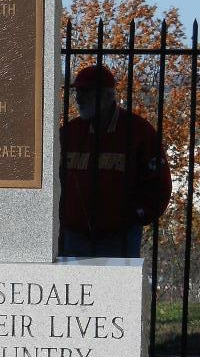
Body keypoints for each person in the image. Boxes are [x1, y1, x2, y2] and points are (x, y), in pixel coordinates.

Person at [59, 63, 172, 257]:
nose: (78, 98)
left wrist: (135, 215)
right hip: (73, 236)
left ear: (106, 95)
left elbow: (158, 183)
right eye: (77, 91)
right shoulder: (69, 133)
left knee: (116, 287)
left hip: (119, 238)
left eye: (85, 91)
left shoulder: (138, 133)